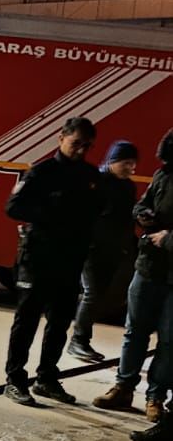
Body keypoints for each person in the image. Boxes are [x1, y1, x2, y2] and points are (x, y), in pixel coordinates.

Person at [2, 116, 99, 407]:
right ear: (61, 138)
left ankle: (46, 379)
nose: (81, 150)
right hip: (38, 258)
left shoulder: (90, 176)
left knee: (59, 323)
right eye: (75, 144)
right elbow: (13, 207)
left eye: (87, 146)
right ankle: (15, 379)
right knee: (27, 320)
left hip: (69, 261)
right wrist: (51, 210)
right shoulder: (41, 172)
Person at [94, 126, 173, 429]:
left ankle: (155, 397)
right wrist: (141, 214)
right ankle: (124, 388)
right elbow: (143, 203)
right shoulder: (164, 175)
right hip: (148, 267)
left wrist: (168, 239)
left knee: (169, 341)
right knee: (134, 331)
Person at [68, 139, 139, 362]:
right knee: (92, 293)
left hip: (114, 249)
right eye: (126, 163)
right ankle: (78, 341)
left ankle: (80, 340)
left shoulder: (127, 186)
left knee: (103, 294)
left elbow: (126, 217)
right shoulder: (97, 182)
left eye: (133, 164)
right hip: (91, 248)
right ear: (113, 161)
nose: (131, 168)